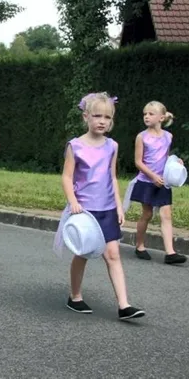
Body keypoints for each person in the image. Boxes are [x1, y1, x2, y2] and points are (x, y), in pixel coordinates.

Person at [55, 92, 145, 321]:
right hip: (85, 211)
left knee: (113, 254)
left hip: (107, 208)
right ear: (86, 116)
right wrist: (73, 202)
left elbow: (112, 177)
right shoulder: (75, 146)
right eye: (97, 116)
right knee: (83, 254)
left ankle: (124, 305)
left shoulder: (112, 146)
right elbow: (67, 177)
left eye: (107, 117)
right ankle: (75, 296)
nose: (102, 121)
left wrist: (119, 206)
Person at [130, 101, 187, 264]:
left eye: (151, 114)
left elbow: (165, 157)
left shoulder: (168, 136)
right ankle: (140, 245)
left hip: (163, 182)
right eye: (145, 114)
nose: (146, 117)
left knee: (166, 215)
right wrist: (153, 176)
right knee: (147, 214)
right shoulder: (142, 137)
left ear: (161, 118)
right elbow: (138, 162)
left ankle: (170, 253)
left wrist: (176, 162)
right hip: (147, 181)